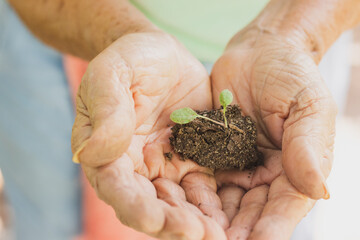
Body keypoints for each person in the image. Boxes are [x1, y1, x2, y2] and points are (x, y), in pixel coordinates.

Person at [1, 0, 360, 239]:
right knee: (52, 222)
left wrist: (292, 34)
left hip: (294, 39)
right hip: (65, 18)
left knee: (279, 217)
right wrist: (124, 34)